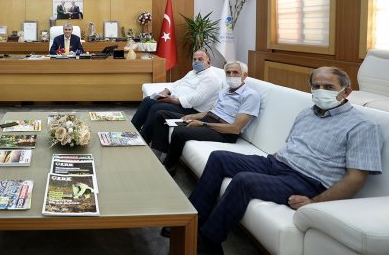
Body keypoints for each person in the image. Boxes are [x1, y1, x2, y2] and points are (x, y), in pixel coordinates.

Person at [163, 67, 384, 254]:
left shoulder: (363, 126)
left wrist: (314, 202)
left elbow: (355, 179)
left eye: (328, 87)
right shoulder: (307, 113)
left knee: (244, 180)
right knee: (219, 157)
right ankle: (192, 222)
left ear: (346, 91)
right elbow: (292, 145)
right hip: (276, 164)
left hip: (307, 181)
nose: (320, 91)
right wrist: (273, 160)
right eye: (316, 86)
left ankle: (208, 241)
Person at [150, 61, 261, 175]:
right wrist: (193, 116)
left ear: (244, 75)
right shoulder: (224, 92)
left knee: (179, 132)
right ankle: (161, 154)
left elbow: (235, 128)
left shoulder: (250, 95)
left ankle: (168, 167)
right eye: (228, 73)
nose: (231, 75)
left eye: (235, 72)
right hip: (209, 119)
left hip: (225, 131)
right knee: (161, 114)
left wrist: (203, 124)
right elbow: (210, 112)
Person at [131, 49, 222, 144]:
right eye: (194, 59)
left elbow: (196, 99)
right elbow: (178, 82)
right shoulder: (193, 72)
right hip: (177, 102)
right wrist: (166, 91)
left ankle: (143, 140)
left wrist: (173, 100)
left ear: (208, 62)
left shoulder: (211, 78)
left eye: (200, 59)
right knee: (148, 100)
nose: (196, 62)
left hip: (193, 110)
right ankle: (132, 130)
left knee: (156, 107)